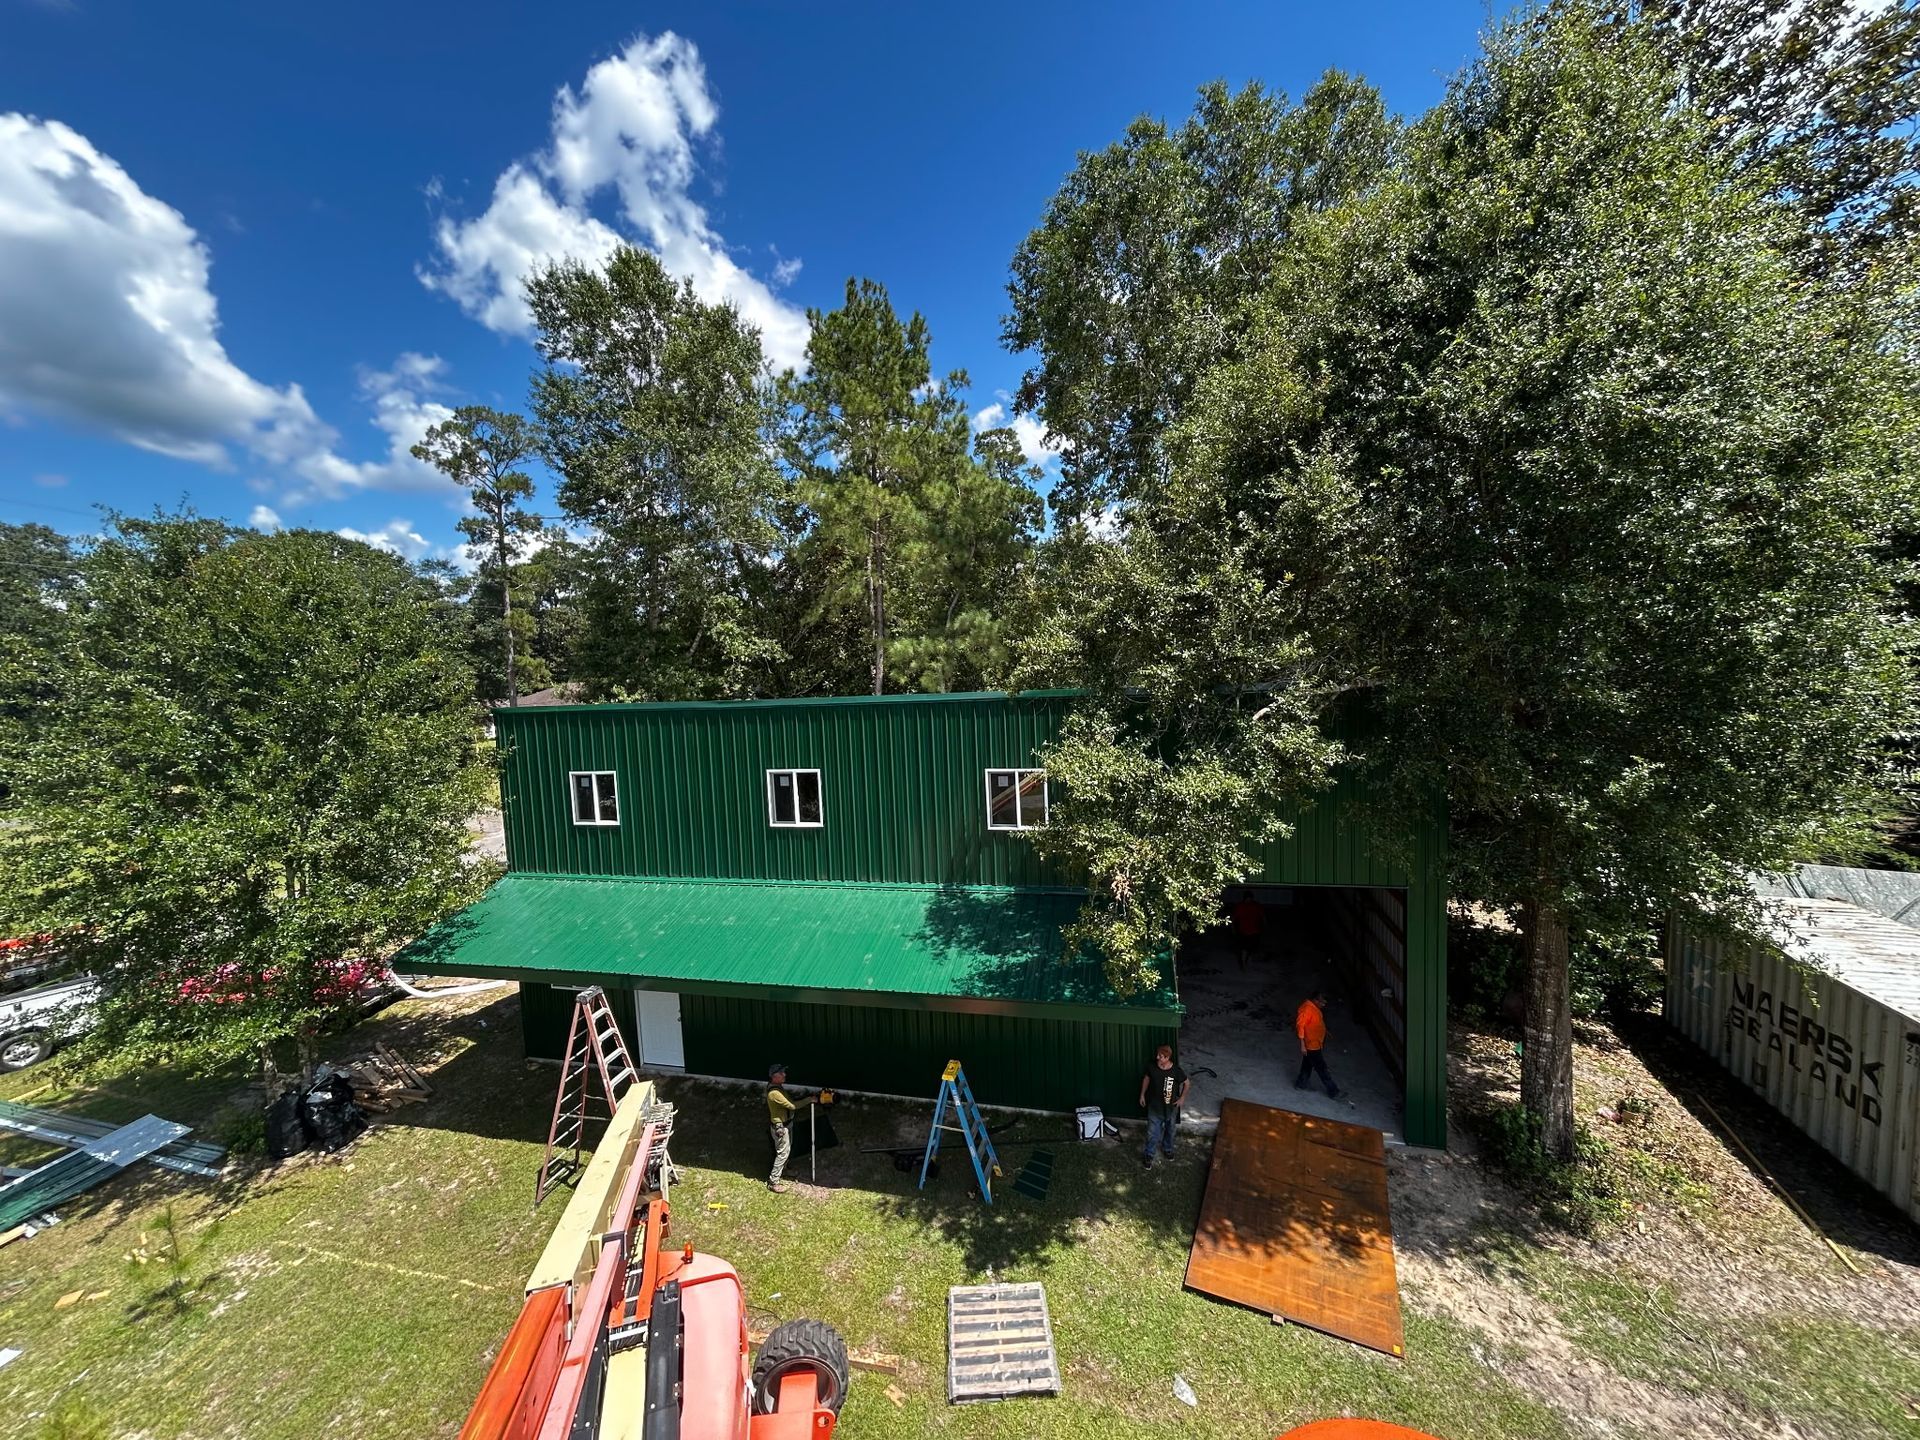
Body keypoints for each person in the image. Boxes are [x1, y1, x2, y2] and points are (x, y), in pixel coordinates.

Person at [1138, 1044, 1189, 1167]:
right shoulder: (1152, 1067)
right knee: (1152, 1132)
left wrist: (1182, 1098)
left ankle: (1168, 1149)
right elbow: (1146, 1079)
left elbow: (1187, 1083)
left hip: (1170, 1108)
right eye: (1158, 1055)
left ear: (1167, 1057)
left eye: (1160, 1056)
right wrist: (1142, 1095)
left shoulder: (1176, 1071)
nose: (1157, 1058)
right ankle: (1149, 1155)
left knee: (1170, 1130)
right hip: (1154, 1107)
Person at [1295, 991, 1341, 1099]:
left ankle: (1300, 1084)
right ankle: (1333, 1092)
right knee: (1321, 1068)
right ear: (1315, 1000)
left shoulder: (1314, 1008)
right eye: (1322, 1003)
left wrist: (1325, 1031)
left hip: (1315, 1043)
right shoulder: (1306, 1009)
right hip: (1311, 1045)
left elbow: (1317, 1022)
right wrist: (1302, 1044)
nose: (1324, 1005)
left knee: (1307, 1064)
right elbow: (1300, 1026)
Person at [766, 1062, 798, 1192]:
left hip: (786, 1124)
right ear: (774, 1076)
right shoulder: (774, 1093)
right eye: (781, 1073)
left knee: (787, 1150)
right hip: (780, 1128)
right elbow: (792, 1105)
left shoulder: (778, 1087)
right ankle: (773, 1182)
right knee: (782, 1154)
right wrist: (810, 1100)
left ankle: (784, 1170)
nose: (784, 1075)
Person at [1230, 892, 1265, 971]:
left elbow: (1262, 917)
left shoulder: (1256, 906)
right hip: (1243, 931)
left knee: (1251, 948)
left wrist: (1263, 927)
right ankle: (1244, 964)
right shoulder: (1240, 906)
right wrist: (1233, 928)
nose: (1249, 900)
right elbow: (1234, 918)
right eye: (1248, 898)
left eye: (1250, 898)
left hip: (1254, 931)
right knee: (1244, 948)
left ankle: (1247, 961)